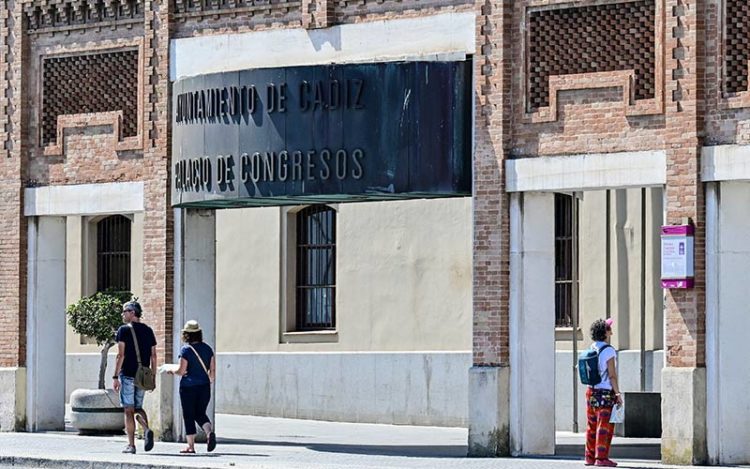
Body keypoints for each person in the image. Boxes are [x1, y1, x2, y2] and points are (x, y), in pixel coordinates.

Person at [112, 300, 157, 454]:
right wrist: (153, 376)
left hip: (129, 374)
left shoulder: (123, 330)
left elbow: (121, 355)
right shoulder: (148, 330)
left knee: (129, 410)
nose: (123, 314)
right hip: (143, 375)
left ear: (132, 312)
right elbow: (154, 356)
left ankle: (131, 445)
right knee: (139, 407)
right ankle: (145, 429)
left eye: (125, 311)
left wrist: (115, 376)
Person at [168, 320, 217, 454]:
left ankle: (191, 446)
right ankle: (209, 433)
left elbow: (182, 371)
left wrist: (171, 371)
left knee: (189, 415)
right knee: (200, 413)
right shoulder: (208, 349)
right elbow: (212, 370)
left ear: (186, 335)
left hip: (188, 387)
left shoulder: (186, 350)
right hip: (204, 386)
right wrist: (209, 380)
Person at [584, 318, 622, 467]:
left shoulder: (592, 347)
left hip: (591, 392)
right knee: (604, 425)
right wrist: (617, 394)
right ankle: (601, 458)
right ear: (604, 332)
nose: (611, 331)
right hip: (605, 392)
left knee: (591, 424)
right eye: (609, 329)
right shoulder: (609, 350)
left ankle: (589, 457)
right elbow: (612, 375)